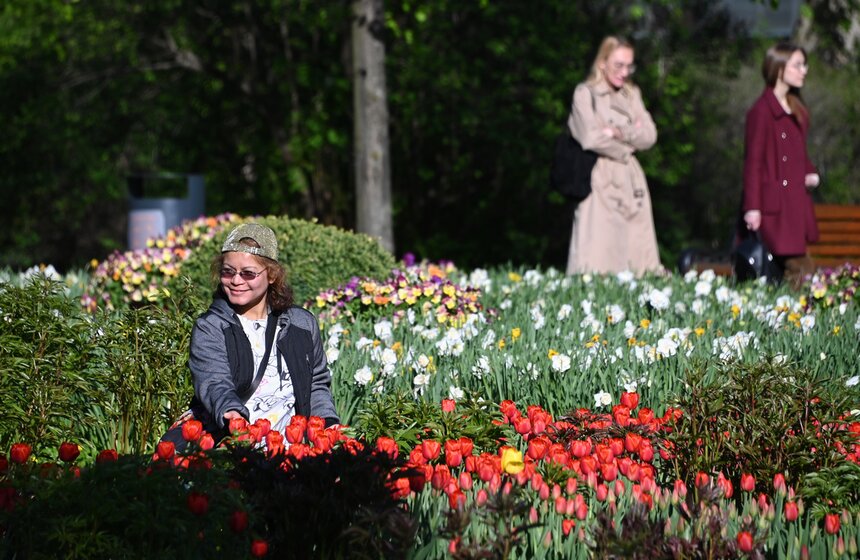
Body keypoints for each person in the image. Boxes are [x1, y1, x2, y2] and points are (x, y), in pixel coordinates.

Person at [161, 223, 339, 451]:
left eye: (248, 273)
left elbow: (315, 384)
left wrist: (329, 424)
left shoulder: (301, 324)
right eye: (228, 272)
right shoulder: (211, 327)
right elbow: (214, 382)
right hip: (231, 442)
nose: (236, 281)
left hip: (288, 448)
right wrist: (233, 416)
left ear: (272, 275)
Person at [566, 36, 660, 275]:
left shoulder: (632, 94)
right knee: (597, 257)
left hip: (631, 179)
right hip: (599, 178)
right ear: (602, 62)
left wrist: (617, 132)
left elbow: (649, 135)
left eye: (629, 66)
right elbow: (589, 137)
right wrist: (630, 140)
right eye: (618, 65)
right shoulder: (585, 94)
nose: (624, 72)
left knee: (638, 254)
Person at [742, 42, 819, 287]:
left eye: (804, 64)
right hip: (772, 208)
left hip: (795, 202)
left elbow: (798, 154)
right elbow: (752, 163)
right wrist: (752, 208)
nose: (803, 70)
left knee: (797, 268)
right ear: (779, 68)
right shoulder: (761, 111)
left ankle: (795, 316)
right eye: (797, 65)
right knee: (795, 269)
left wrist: (809, 172)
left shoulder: (797, 109)